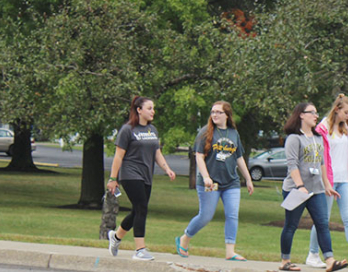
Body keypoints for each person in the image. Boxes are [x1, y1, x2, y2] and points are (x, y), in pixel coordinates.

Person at [176, 101, 255, 261]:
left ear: (227, 115)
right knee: (205, 216)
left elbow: (239, 157)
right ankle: (185, 238)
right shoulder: (205, 132)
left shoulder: (234, 133)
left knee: (232, 215)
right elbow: (198, 156)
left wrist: (248, 178)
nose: (215, 115)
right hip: (210, 183)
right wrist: (206, 177)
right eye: (213, 112)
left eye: (219, 112)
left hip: (231, 182)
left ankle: (230, 251)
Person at [304, 94, 348, 270]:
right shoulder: (322, 129)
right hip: (326, 180)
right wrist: (324, 180)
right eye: (347, 112)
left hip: (343, 180)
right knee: (322, 219)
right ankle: (312, 254)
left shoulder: (347, 131)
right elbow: (318, 156)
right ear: (337, 109)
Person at [278, 102, 348, 272]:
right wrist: (300, 186)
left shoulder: (317, 138)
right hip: (296, 189)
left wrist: (327, 185)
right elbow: (292, 165)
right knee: (291, 225)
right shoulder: (294, 138)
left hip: (316, 189)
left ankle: (330, 260)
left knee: (322, 223)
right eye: (312, 113)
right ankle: (285, 260)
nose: (316, 116)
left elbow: (322, 163)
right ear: (301, 115)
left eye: (316, 113)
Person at [106, 96, 177, 260]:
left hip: (146, 175)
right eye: (149, 108)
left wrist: (167, 169)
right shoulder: (127, 130)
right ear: (139, 110)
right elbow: (118, 156)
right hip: (130, 174)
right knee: (142, 208)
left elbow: (156, 153)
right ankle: (140, 250)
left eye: (153, 108)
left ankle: (116, 237)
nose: (153, 111)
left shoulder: (152, 130)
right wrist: (112, 178)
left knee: (137, 210)